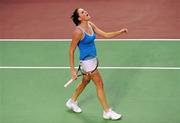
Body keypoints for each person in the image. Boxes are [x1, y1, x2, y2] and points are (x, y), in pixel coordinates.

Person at [66, 8, 128, 120]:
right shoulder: (78, 32)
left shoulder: (90, 25)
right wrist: (72, 70)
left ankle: (72, 101)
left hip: (93, 60)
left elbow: (106, 34)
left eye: (85, 11)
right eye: (82, 12)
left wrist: (120, 32)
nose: (86, 12)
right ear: (79, 18)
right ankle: (107, 111)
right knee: (99, 84)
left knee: (85, 81)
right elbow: (71, 50)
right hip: (87, 62)